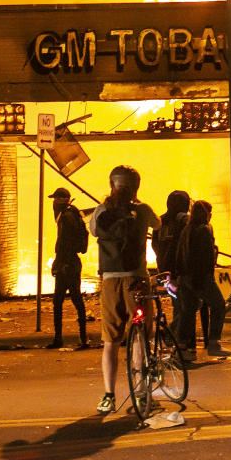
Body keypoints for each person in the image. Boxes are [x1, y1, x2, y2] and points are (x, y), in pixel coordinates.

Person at [89, 166, 160, 414]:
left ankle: (109, 395)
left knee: (110, 341)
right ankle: (141, 394)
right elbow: (158, 224)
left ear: (111, 185)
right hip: (137, 280)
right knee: (140, 335)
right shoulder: (142, 210)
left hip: (110, 282)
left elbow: (93, 230)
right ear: (136, 187)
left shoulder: (101, 211)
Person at [176, 200, 231, 358]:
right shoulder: (204, 230)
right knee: (219, 305)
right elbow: (206, 257)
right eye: (210, 212)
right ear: (206, 214)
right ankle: (214, 343)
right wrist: (205, 279)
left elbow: (180, 255)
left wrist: (180, 276)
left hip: (186, 277)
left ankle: (181, 347)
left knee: (188, 311)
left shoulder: (187, 230)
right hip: (200, 277)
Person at [46, 187, 90, 350]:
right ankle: (82, 338)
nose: (53, 203)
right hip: (71, 262)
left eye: (56, 199)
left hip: (67, 264)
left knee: (60, 302)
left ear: (62, 200)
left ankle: (61, 339)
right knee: (76, 300)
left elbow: (65, 242)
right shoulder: (73, 214)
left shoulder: (66, 217)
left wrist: (61, 264)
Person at [151, 190, 192, 355]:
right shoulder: (184, 220)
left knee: (178, 304)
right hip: (179, 271)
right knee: (186, 306)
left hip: (164, 271)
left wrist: (162, 259)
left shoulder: (160, 221)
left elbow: (154, 245)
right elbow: (185, 246)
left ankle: (178, 341)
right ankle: (172, 335)